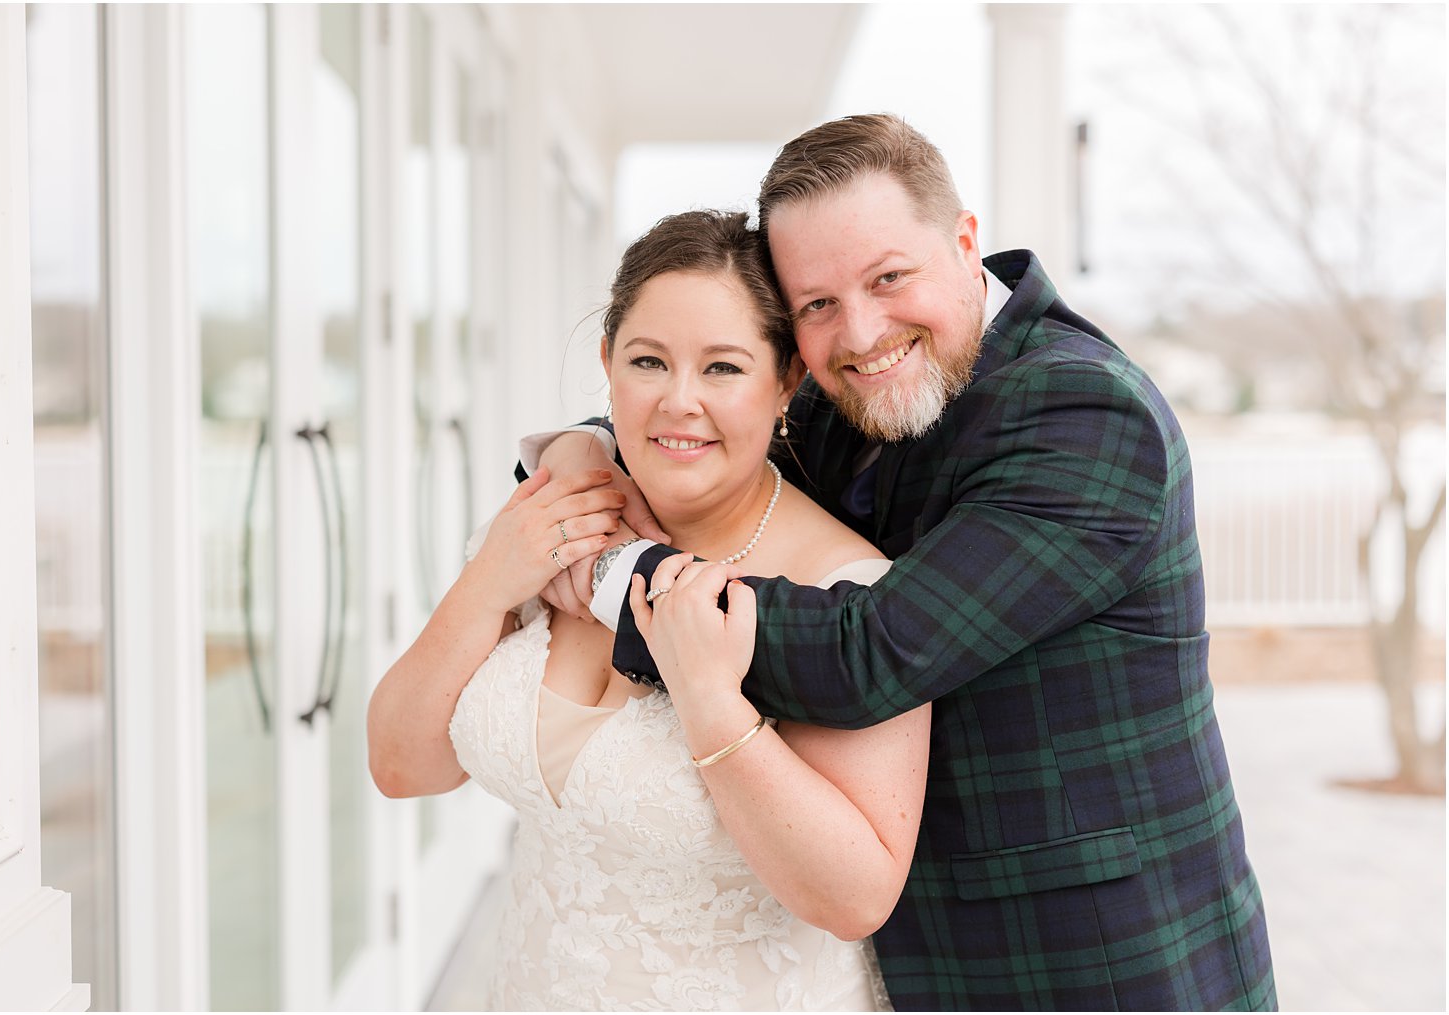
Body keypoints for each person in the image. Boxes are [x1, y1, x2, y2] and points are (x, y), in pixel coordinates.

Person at [531, 114, 1277, 1011]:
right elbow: (703, 419)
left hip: (1104, 966)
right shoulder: (860, 383)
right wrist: (584, 445)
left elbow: (870, 649)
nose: (862, 330)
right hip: (920, 964)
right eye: (818, 305)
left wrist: (617, 576)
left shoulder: (1088, 416)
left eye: (889, 278)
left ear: (966, 243)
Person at [368, 209, 932, 1011]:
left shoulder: (844, 593)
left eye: (723, 368)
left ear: (787, 384)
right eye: (648, 360)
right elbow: (402, 766)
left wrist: (710, 704)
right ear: (606, 364)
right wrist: (490, 578)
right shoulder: (548, 520)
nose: (678, 401)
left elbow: (854, 899)